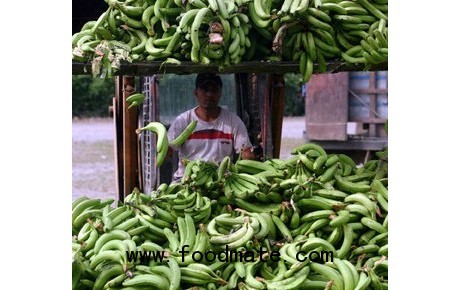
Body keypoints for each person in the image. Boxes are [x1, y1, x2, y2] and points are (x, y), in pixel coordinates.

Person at [167, 73, 255, 183]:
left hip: (220, 181)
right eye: (205, 90)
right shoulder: (182, 121)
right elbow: (167, 152)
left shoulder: (233, 122)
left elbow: (245, 152)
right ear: (196, 92)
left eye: (214, 90)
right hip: (186, 180)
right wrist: (162, 146)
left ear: (220, 93)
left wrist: (249, 157)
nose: (209, 94)